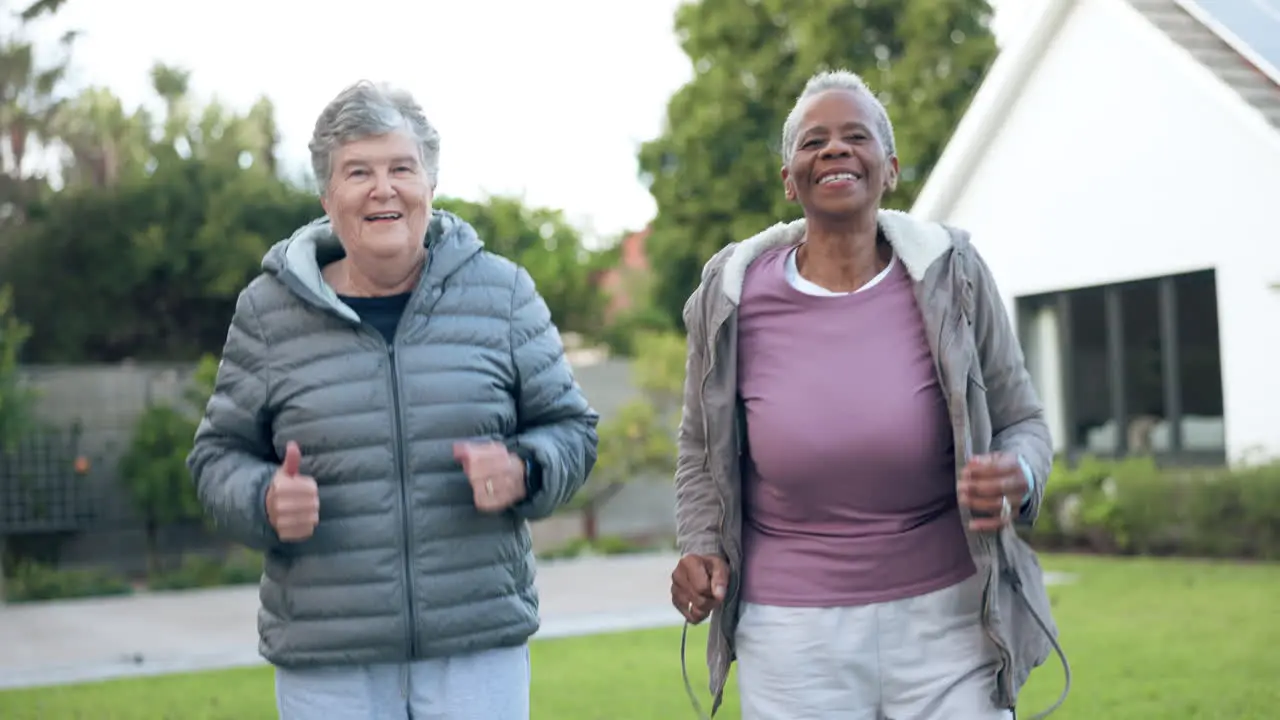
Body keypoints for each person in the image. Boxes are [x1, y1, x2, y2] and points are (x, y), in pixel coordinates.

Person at [188, 80, 599, 720]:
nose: (383, 188)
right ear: (328, 197)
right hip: (329, 658)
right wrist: (263, 499)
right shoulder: (268, 312)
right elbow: (217, 456)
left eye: (401, 168)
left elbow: (571, 428)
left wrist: (525, 468)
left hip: (476, 647)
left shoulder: (504, 292)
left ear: (429, 186)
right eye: (359, 171)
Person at [669, 70, 1067, 719]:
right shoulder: (732, 296)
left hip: (950, 620)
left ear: (891, 169)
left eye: (856, 136)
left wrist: (1019, 473)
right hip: (791, 635)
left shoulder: (954, 274)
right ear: (789, 179)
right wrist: (701, 543)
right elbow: (698, 445)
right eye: (812, 141)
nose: (834, 149)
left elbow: (1023, 419)